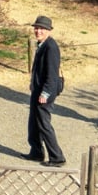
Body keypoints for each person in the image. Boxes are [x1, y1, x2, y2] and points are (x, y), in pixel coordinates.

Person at [25, 15, 65, 165]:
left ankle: (57, 157)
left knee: (43, 123)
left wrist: (45, 93)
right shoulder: (42, 44)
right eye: (36, 28)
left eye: (42, 28)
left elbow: (52, 74)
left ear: (49, 30)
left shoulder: (51, 47)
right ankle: (36, 152)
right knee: (34, 121)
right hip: (38, 89)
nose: (38, 31)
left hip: (45, 92)